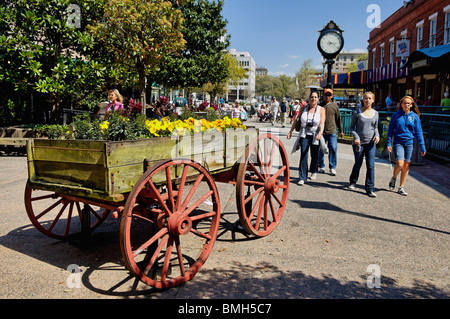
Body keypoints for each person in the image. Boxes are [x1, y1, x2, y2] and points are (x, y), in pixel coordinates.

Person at [386, 95, 426, 196]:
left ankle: (401, 187)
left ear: (412, 105)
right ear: (401, 104)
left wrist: (422, 146)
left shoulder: (414, 116)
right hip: (398, 142)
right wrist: (388, 143)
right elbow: (390, 130)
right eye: (404, 103)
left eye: (408, 103)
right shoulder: (396, 115)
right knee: (399, 163)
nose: (406, 105)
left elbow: (419, 132)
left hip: (409, 143)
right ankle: (394, 178)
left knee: (406, 165)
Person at [287, 91, 325, 185]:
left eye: (315, 97)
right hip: (304, 133)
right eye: (312, 97)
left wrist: (320, 133)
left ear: (318, 99)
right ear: (309, 98)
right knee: (304, 154)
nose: (313, 99)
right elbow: (297, 120)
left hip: (315, 133)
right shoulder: (303, 108)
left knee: (314, 154)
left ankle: (313, 171)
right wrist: (290, 131)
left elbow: (322, 123)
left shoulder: (321, 109)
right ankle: (302, 177)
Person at [347, 92, 380, 197]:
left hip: (371, 143)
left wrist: (377, 135)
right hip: (359, 143)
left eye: (370, 98)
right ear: (363, 100)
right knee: (358, 163)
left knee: (371, 165)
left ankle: (370, 188)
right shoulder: (357, 112)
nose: (367, 100)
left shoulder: (376, 113)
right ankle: (353, 181)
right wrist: (356, 137)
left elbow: (375, 127)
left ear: (373, 100)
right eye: (366, 98)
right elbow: (351, 128)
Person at [318, 88, 344, 176]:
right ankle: (321, 165)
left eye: (329, 95)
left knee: (333, 148)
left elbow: (338, 119)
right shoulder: (320, 106)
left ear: (332, 96)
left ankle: (332, 167)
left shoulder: (334, 106)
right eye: (326, 95)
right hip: (322, 131)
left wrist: (341, 130)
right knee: (320, 149)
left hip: (332, 131)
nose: (327, 97)